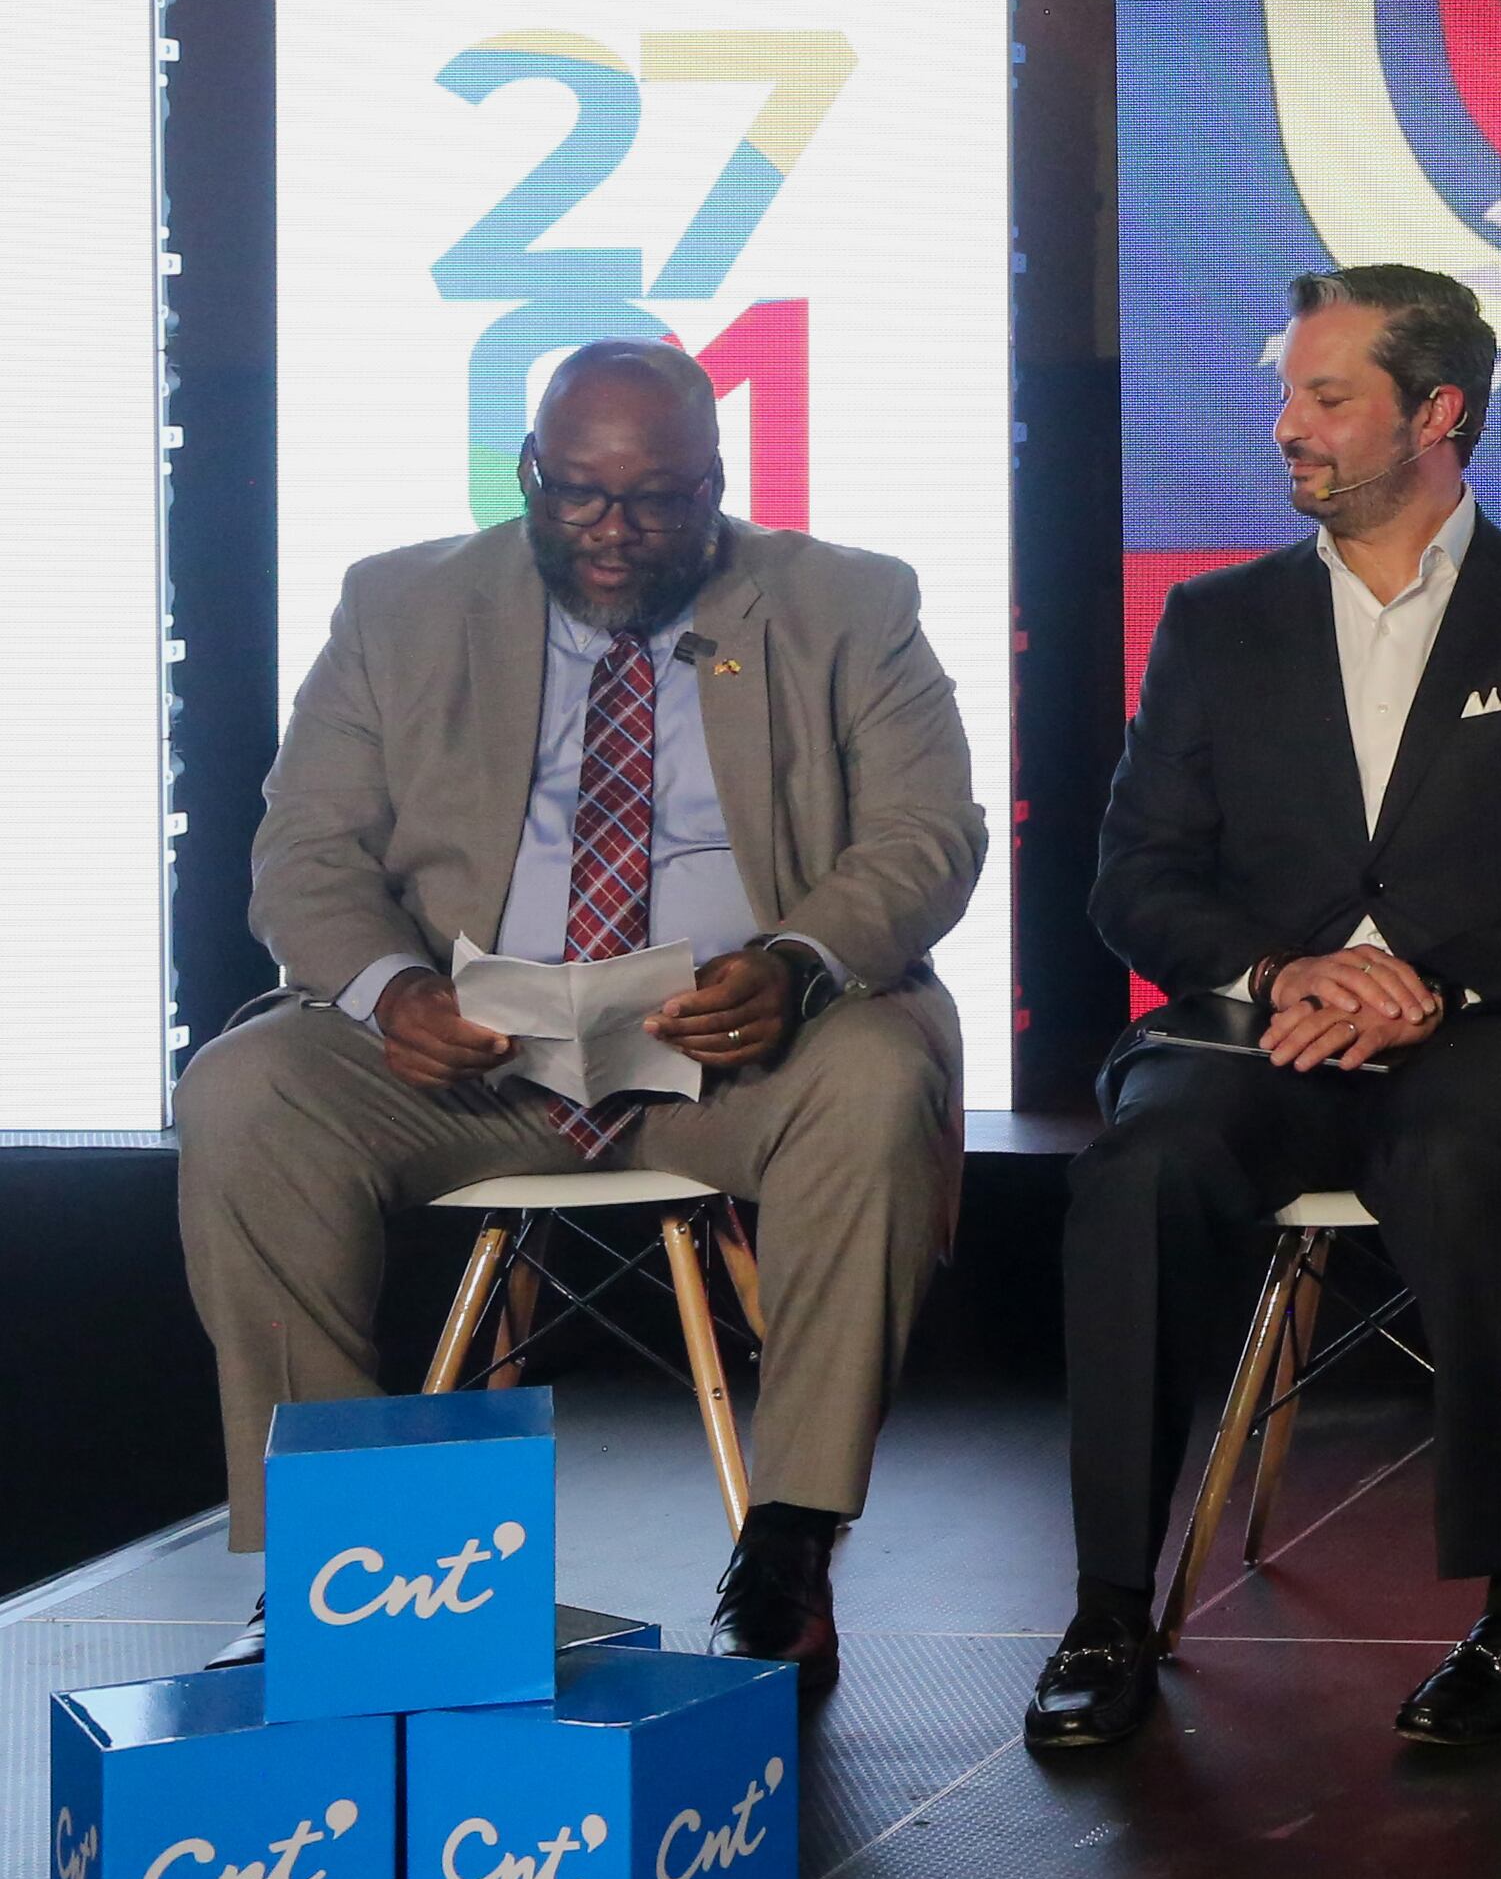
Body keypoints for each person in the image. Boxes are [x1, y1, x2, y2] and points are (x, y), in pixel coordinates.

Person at [179, 338, 984, 1702]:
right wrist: (394, 990)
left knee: (879, 1072)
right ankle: (337, 1563)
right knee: (245, 1091)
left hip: (735, 1040)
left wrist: (794, 962)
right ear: (529, 476)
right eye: (579, 497)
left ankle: (788, 1543)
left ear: (716, 486)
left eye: (658, 502)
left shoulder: (849, 601)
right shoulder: (401, 604)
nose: (613, 535)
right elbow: (302, 853)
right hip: (473, 1046)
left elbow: (927, 834)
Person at [1025, 265, 1501, 1757]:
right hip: (1270, 1026)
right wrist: (1283, 972)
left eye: (1328, 397)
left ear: (1436, 414)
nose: (1288, 428)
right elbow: (1137, 878)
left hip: (1494, 1025)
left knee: (1458, 1156)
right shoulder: (1216, 621)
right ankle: (1111, 1605)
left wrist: (1431, 981)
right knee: (1141, 1168)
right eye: (1288, 396)